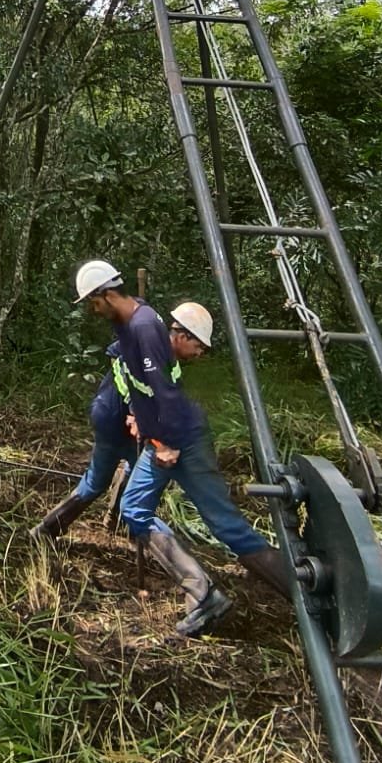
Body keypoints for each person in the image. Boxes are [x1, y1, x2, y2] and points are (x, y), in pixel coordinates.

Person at [72, 259, 292, 635]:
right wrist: (140, 418)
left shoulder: (144, 328)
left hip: (179, 440)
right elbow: (137, 383)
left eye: (92, 302)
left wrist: (168, 443)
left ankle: (299, 590)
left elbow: (166, 393)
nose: (92, 310)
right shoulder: (128, 323)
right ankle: (203, 594)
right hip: (161, 439)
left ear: (106, 295)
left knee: (223, 524)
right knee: (135, 509)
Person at [31, 350, 239, 639]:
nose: (200, 353)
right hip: (114, 427)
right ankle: (47, 529)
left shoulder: (164, 360)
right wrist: (138, 411)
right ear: (181, 336)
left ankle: (107, 525)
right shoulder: (144, 346)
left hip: (127, 431)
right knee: (97, 483)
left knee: (125, 481)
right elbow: (128, 372)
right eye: (198, 345)